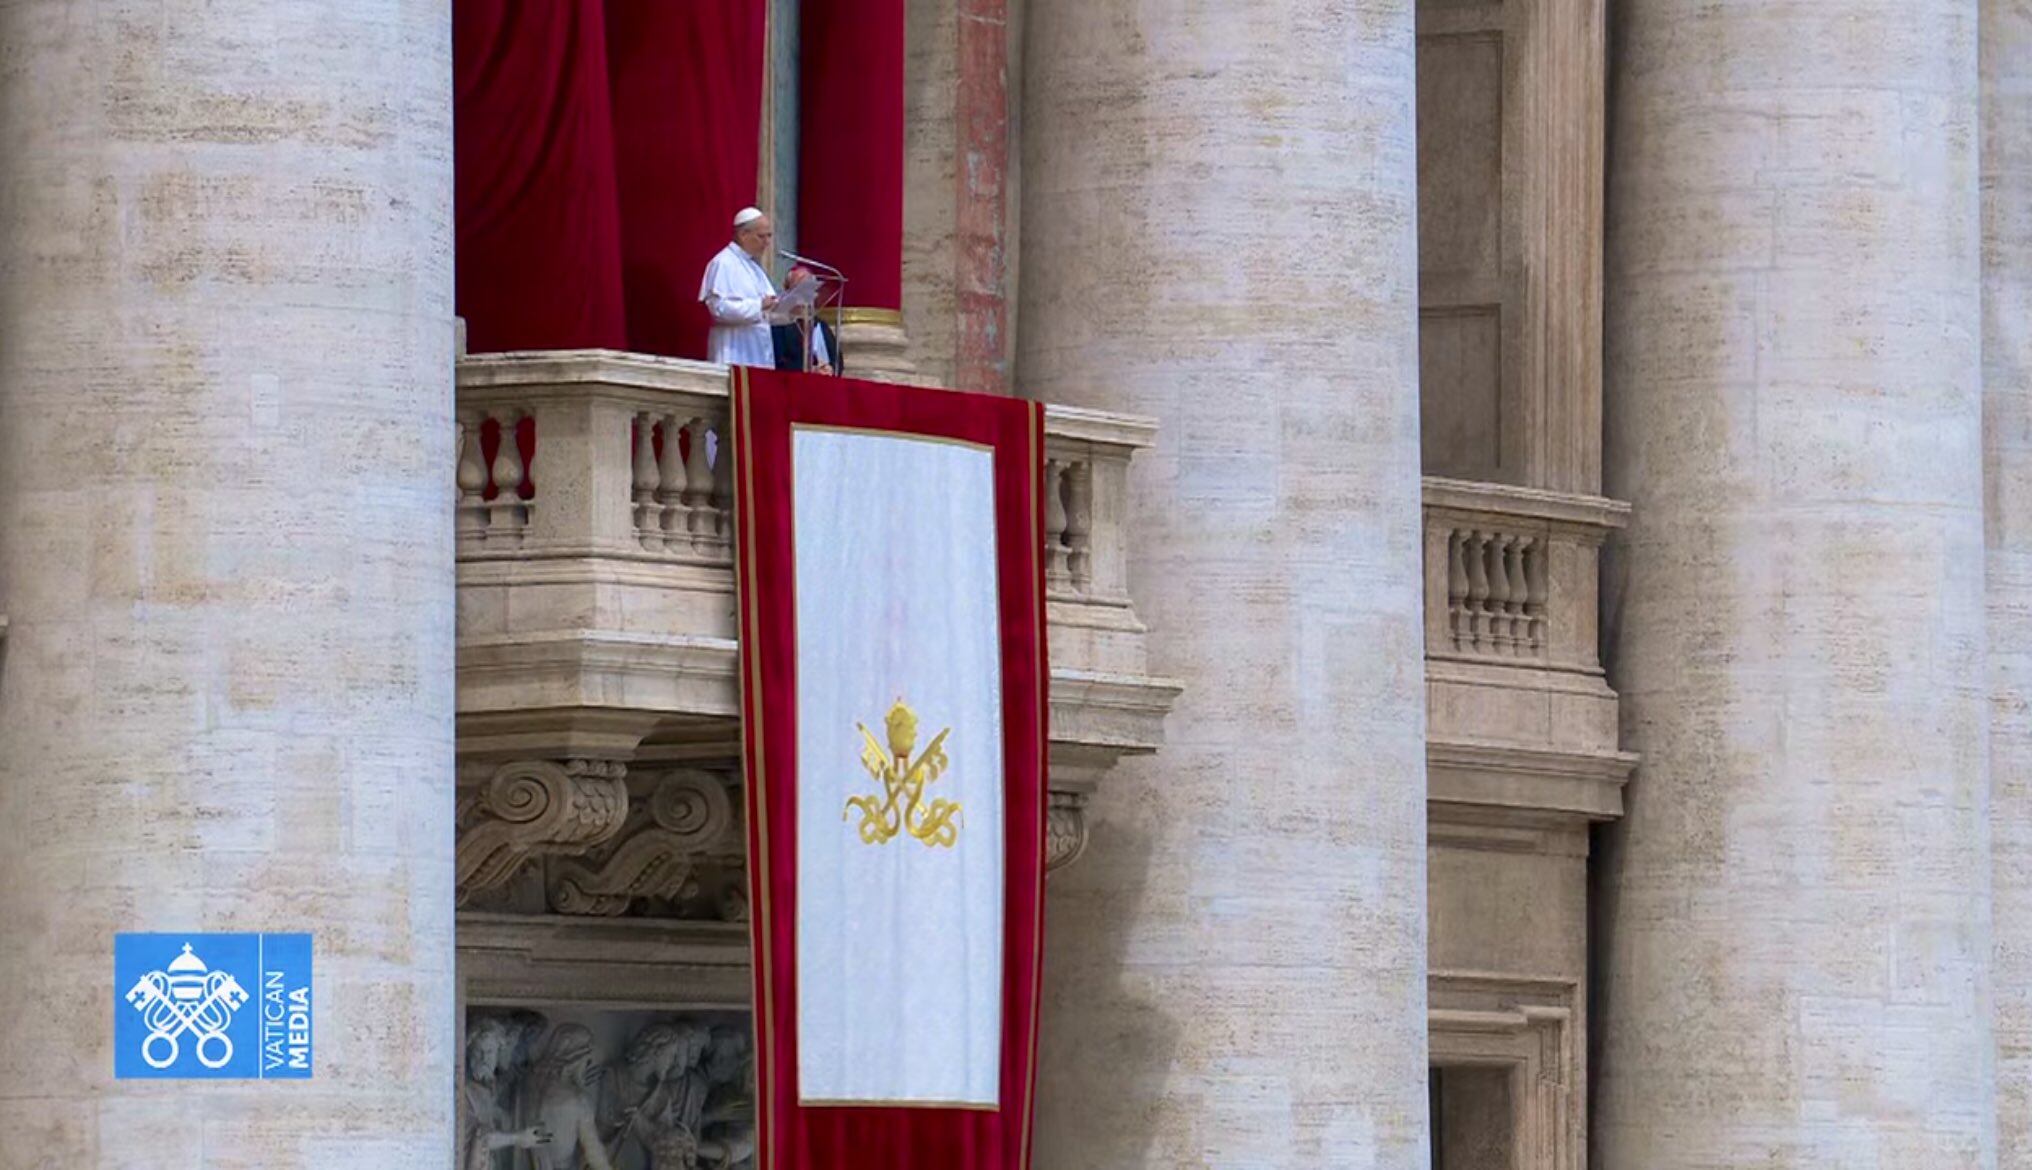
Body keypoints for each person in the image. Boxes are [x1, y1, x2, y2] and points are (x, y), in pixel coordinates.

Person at [698, 208, 778, 367]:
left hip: (757, 349)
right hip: (734, 349)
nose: (767, 242)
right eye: (761, 236)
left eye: (769, 236)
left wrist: (784, 308)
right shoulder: (723, 263)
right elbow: (720, 309)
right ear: (743, 235)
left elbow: (767, 309)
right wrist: (759, 305)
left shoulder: (754, 267)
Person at [770, 265, 838, 374]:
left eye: (810, 287)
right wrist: (808, 371)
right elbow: (777, 361)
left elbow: (837, 358)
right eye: (800, 287)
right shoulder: (778, 324)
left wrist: (830, 369)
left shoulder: (820, 324)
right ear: (787, 291)